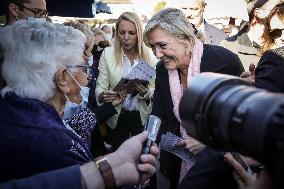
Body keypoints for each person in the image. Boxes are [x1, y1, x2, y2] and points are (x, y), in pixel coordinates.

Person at [143, 8, 244, 189]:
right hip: (174, 165)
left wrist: (208, 142)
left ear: (186, 39)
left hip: (220, 171)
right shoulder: (162, 69)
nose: (157, 54)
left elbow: (242, 122)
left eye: (162, 46)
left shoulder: (224, 62)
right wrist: (145, 147)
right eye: (153, 47)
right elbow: (158, 114)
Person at [0, 20, 110, 181]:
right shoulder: (55, 142)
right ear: (63, 78)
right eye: (83, 69)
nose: (87, 80)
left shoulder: (13, 111)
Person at [0, 131, 159, 189]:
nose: (85, 75)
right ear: (62, 78)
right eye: (81, 69)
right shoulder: (46, 134)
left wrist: (118, 164)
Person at [95, 12, 157, 151]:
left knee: (142, 159)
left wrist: (146, 93)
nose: (126, 38)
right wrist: (102, 95)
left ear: (139, 34)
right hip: (116, 116)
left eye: (131, 33)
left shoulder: (151, 56)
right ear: (116, 32)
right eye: (122, 32)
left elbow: (155, 90)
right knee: (117, 162)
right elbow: (100, 86)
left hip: (140, 116)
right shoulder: (108, 54)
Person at [221, 0, 281, 70]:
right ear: (258, 13)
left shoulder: (280, 41)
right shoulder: (228, 46)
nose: (281, 12)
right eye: (276, 9)